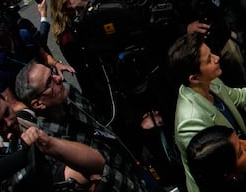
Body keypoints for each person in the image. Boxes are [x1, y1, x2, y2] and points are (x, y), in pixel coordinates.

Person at [167, 33, 246, 192]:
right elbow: (220, 170)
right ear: (194, 78)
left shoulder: (209, 81)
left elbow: (239, 96)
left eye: (211, 53)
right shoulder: (190, 123)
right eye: (208, 60)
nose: (217, 58)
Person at [13, 61, 155, 191]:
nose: (59, 78)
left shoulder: (68, 92)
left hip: (131, 164)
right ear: (38, 104)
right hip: (120, 184)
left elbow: (100, 122)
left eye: (52, 72)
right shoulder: (50, 142)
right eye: (50, 82)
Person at [0, 89, 106, 191]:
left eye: (7, 113)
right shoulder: (8, 158)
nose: (8, 123)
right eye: (0, 124)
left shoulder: (27, 114)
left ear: (7, 101)